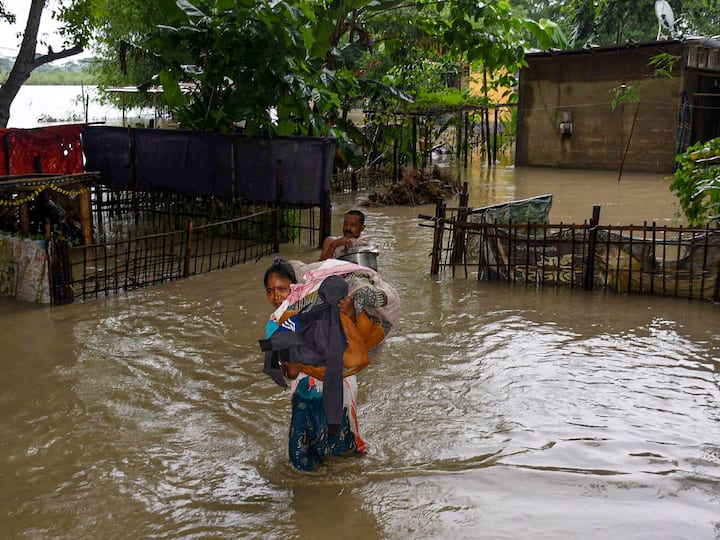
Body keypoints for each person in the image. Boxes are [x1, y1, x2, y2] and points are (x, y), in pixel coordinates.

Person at [261, 257, 367, 471]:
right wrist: (293, 364)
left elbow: (359, 347)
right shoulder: (275, 323)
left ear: (296, 287)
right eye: (270, 291)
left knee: (342, 451)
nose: (276, 296)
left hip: (341, 387)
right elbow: (289, 372)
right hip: (305, 388)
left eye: (282, 288)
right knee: (299, 452)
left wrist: (350, 314)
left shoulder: (329, 308)